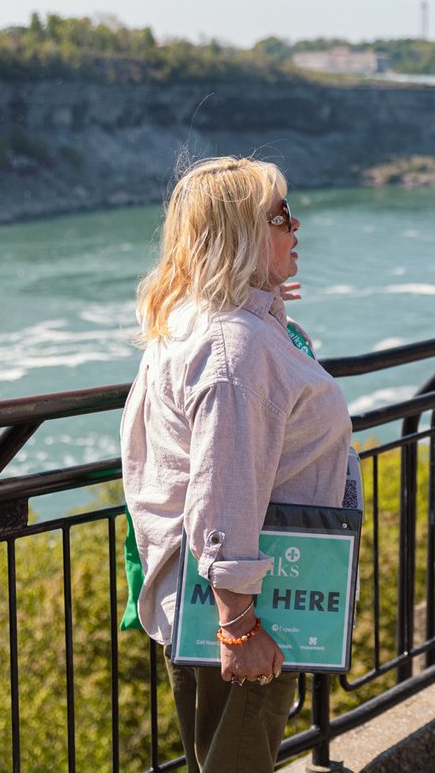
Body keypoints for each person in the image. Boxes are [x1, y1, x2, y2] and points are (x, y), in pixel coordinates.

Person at [119, 156, 353, 773]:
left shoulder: (199, 321)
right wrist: (239, 626)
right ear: (241, 233)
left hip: (216, 596)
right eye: (281, 216)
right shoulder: (235, 349)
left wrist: (268, 298)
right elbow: (223, 486)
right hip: (247, 602)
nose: (296, 225)